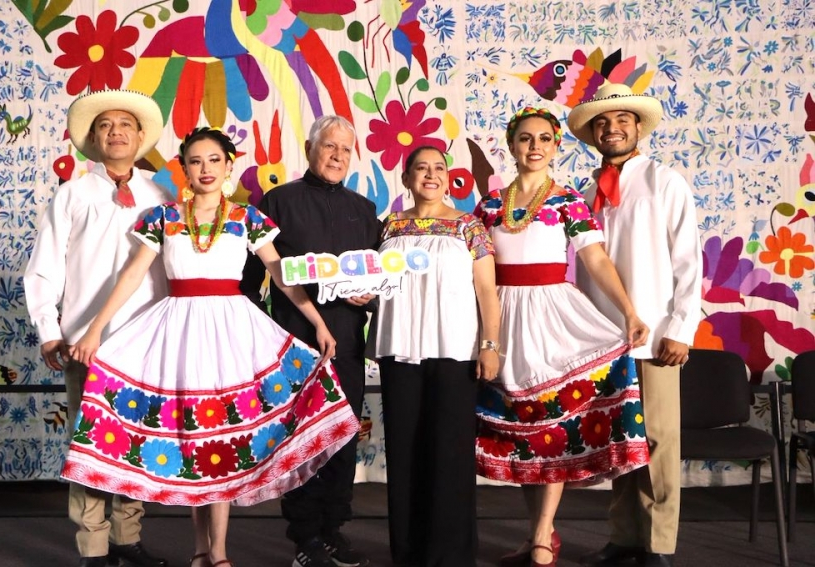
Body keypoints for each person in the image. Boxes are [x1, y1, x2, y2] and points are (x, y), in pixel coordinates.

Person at [60, 127, 360, 567]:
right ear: (184, 168)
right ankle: (200, 550)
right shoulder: (164, 217)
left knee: (220, 440)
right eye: (195, 161)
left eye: (214, 160)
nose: (205, 169)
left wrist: (317, 323)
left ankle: (217, 553)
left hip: (231, 332)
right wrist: (94, 329)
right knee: (194, 440)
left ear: (228, 165)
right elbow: (132, 275)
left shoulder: (246, 218)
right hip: (179, 331)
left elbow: (281, 275)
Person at [473, 107, 652, 567]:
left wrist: (629, 312)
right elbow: (471, 266)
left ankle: (540, 535)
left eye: (544, 139)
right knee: (521, 430)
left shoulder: (568, 200)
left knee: (550, 425)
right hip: (500, 317)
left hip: (551, 315)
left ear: (555, 146)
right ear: (512, 145)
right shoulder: (489, 206)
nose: (534, 146)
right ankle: (542, 532)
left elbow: (595, 259)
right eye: (525, 138)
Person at [24, 89, 171, 567]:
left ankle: (128, 536)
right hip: (85, 341)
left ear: (140, 136)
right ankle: (93, 545)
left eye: (125, 124)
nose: (116, 132)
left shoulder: (162, 197)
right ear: (94, 138)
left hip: (145, 342)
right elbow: (45, 264)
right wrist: (49, 327)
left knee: (138, 439)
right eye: (105, 125)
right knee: (89, 443)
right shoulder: (73, 193)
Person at [567, 84, 703, 567]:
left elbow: (688, 259)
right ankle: (624, 536)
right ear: (593, 134)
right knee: (619, 440)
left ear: (638, 126)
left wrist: (681, 327)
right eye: (602, 123)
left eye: (622, 119)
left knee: (660, 440)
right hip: (604, 338)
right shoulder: (586, 193)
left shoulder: (665, 182)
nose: (612, 129)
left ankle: (659, 543)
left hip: (657, 334)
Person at [241, 115, 381, 567]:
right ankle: (305, 537)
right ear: (309, 149)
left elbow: (381, 279)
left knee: (342, 434)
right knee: (301, 435)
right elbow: (250, 280)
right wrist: (256, 336)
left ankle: (333, 528)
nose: (337, 156)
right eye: (329, 146)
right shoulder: (278, 202)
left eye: (345, 149)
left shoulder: (365, 210)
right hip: (294, 341)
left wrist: (372, 295)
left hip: (347, 340)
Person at [370, 145, 500, 566]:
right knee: (404, 454)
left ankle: (451, 556)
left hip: (454, 351)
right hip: (399, 351)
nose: (431, 174)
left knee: (449, 454)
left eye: (439, 168)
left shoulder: (468, 226)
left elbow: (487, 291)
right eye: (421, 168)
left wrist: (490, 345)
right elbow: (373, 283)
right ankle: (408, 554)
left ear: (449, 178)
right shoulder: (388, 226)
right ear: (406, 178)